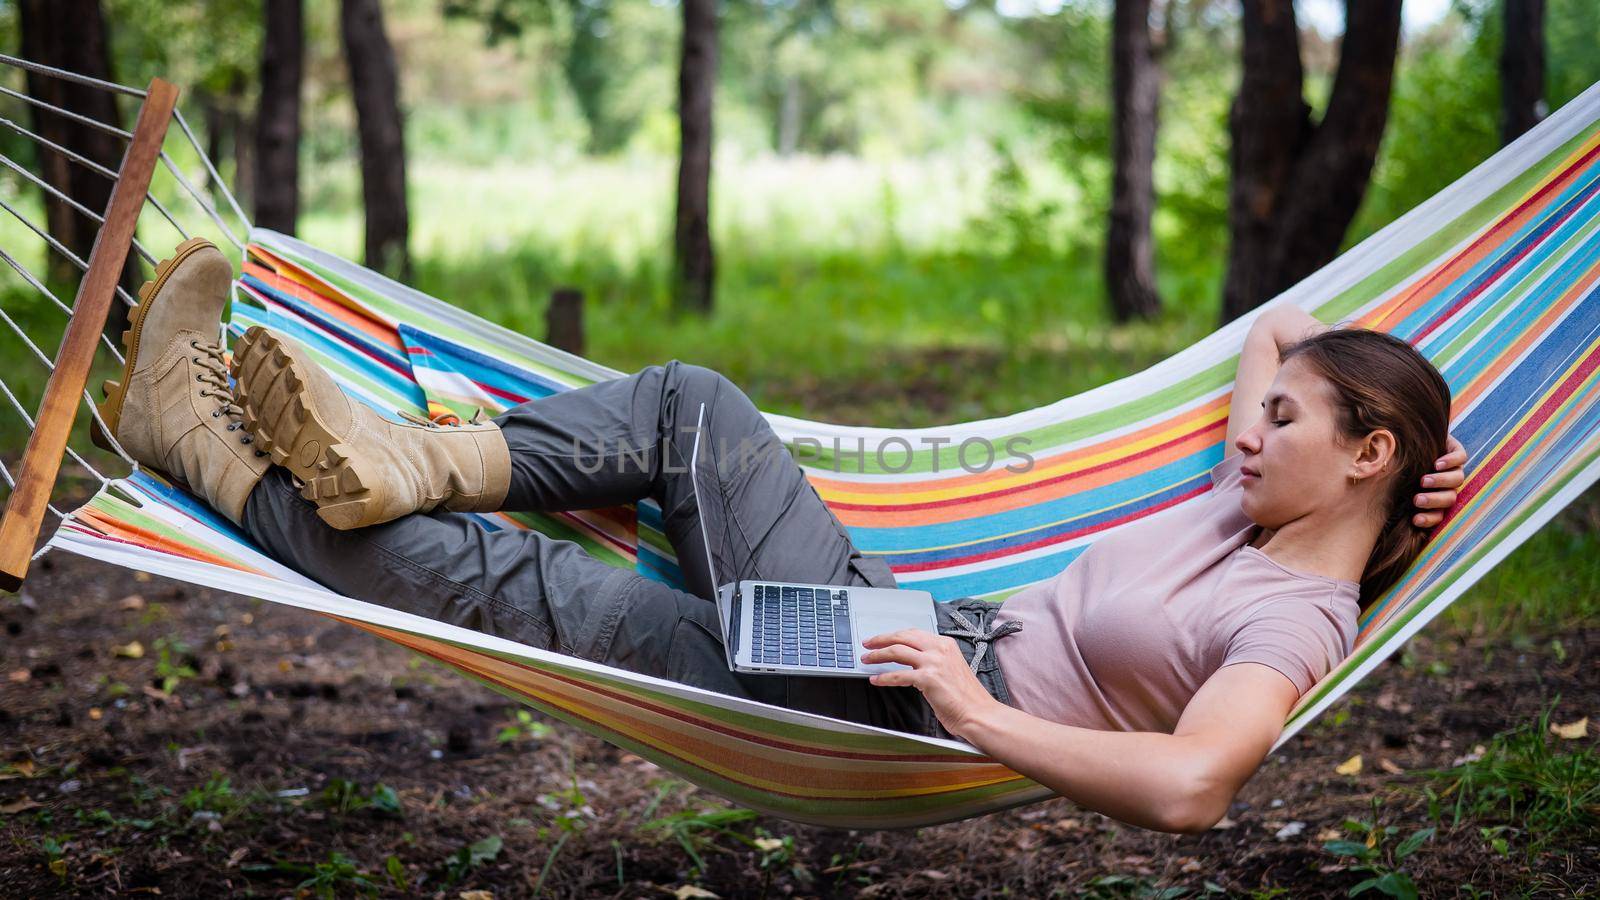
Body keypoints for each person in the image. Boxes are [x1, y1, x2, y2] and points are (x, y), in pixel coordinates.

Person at [96, 240, 1467, 834]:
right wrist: (1405, 477)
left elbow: (1192, 788)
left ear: (1356, 450)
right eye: (1259, 417)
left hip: (904, 708)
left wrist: (974, 718)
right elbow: (1283, 333)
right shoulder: (1266, 492)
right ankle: (371, 456)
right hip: (893, 630)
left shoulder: (1294, 619)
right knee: (689, 409)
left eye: (1280, 423)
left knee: (494, 583)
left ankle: (212, 445)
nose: (1244, 428)